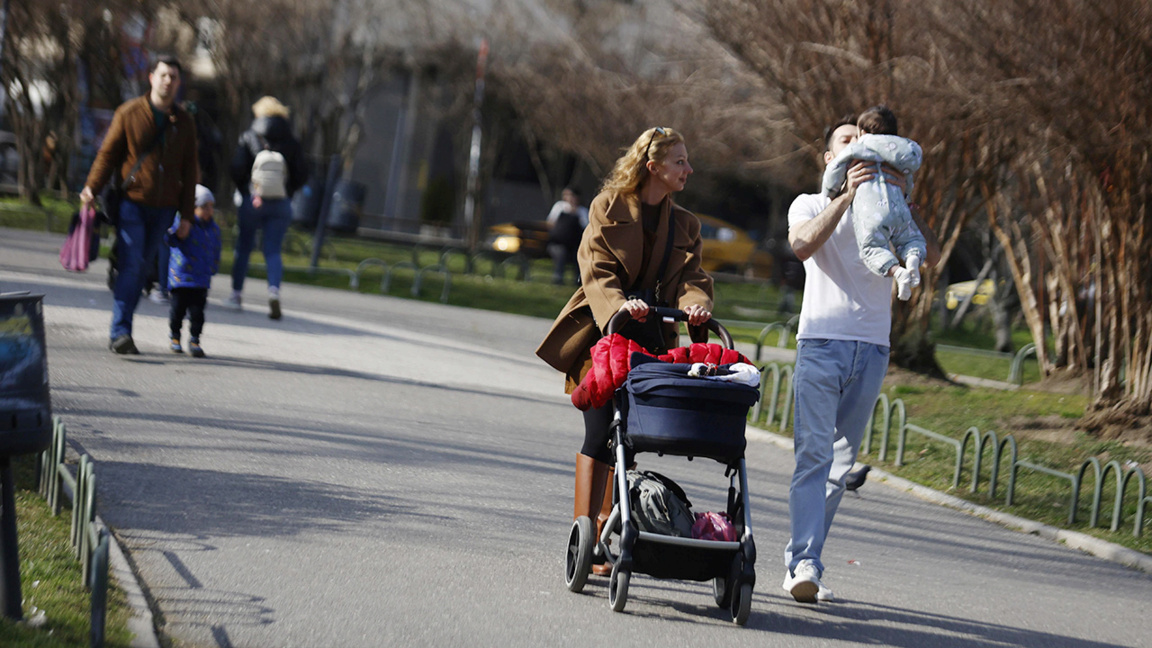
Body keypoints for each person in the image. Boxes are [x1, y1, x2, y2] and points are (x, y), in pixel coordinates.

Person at [536, 126, 714, 577]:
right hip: (604, 330)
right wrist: (620, 305)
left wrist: (695, 304)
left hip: (651, 336)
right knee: (599, 433)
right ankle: (587, 536)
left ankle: (607, 527)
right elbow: (594, 269)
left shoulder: (686, 223)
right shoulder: (607, 206)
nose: (688, 169)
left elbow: (693, 276)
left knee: (630, 440)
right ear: (653, 167)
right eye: (680, 162)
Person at [781, 114, 940, 604]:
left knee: (841, 464)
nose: (860, 147)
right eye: (848, 142)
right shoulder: (810, 202)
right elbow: (801, 245)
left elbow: (921, 245)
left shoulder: (887, 199)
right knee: (813, 456)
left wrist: (897, 196)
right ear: (831, 157)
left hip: (872, 348)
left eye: (866, 141)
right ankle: (803, 562)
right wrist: (846, 197)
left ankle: (805, 560)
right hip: (822, 342)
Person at [80, 55, 199, 355]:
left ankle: (123, 321)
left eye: (173, 76)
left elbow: (190, 170)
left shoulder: (184, 122)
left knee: (143, 268)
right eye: (163, 75)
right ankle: (121, 331)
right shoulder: (130, 112)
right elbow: (107, 154)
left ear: (178, 82)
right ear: (151, 77)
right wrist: (91, 187)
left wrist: (187, 216)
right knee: (133, 267)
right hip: (132, 201)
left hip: (164, 209)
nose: (168, 81)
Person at [821, 105, 925, 300]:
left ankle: (897, 272)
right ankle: (912, 260)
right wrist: (906, 195)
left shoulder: (858, 149)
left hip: (873, 214)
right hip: (899, 209)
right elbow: (908, 176)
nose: (854, 140)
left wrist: (830, 191)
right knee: (912, 239)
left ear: (863, 132)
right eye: (845, 140)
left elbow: (834, 171)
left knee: (872, 249)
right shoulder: (904, 151)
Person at [227, 96, 308, 320]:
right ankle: (273, 292)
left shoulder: (249, 136)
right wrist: (286, 191)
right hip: (280, 204)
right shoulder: (291, 140)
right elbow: (302, 173)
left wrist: (248, 191)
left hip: (254, 201)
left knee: (243, 248)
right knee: (272, 250)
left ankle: (236, 294)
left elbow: (236, 168)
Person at [166, 185, 222, 358]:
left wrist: (214, 266)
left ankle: (195, 340)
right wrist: (175, 231)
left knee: (198, 313)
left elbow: (216, 249)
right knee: (178, 311)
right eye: (204, 206)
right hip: (181, 278)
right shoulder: (184, 223)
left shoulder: (213, 229)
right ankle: (175, 337)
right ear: (193, 207)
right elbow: (170, 239)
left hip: (201, 280)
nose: (209, 210)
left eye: (211, 206)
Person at [546, 187, 588, 285]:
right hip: (557, 243)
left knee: (578, 256)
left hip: (575, 245)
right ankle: (558, 278)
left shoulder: (582, 212)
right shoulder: (559, 207)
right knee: (561, 253)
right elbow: (551, 223)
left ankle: (578, 281)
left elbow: (586, 228)